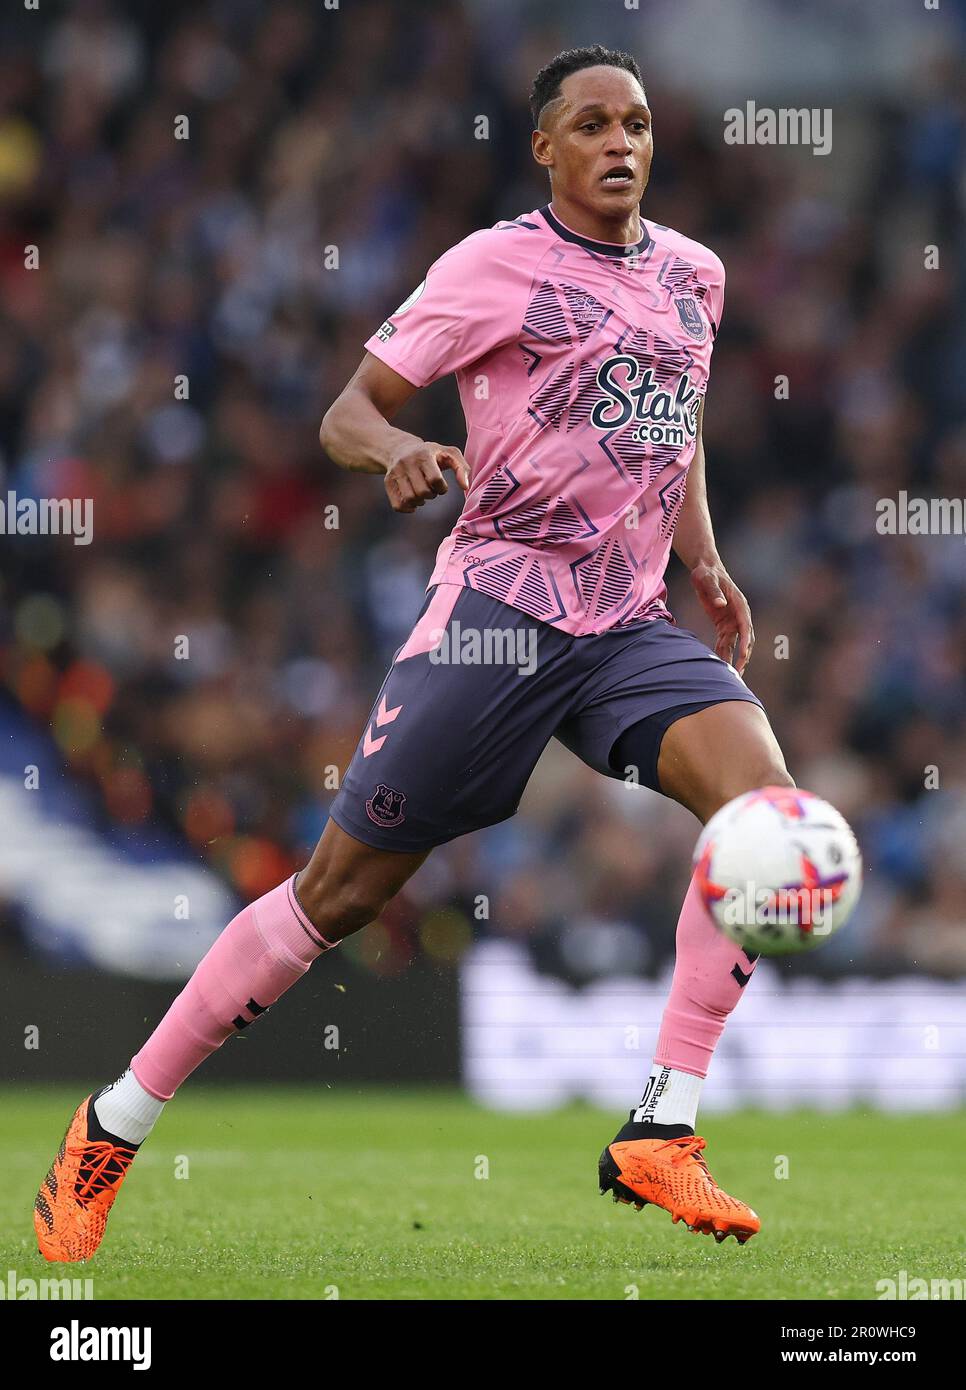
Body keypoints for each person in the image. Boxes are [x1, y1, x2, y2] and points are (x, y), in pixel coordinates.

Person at [35, 44, 794, 1262]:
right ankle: (111, 1124)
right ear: (545, 148)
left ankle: (666, 1124)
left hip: (626, 623)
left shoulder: (695, 277)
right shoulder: (493, 266)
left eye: (637, 123)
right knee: (338, 894)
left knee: (771, 817)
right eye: (591, 124)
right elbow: (349, 409)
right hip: (499, 613)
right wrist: (393, 450)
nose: (620, 142)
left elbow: (679, 425)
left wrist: (703, 560)